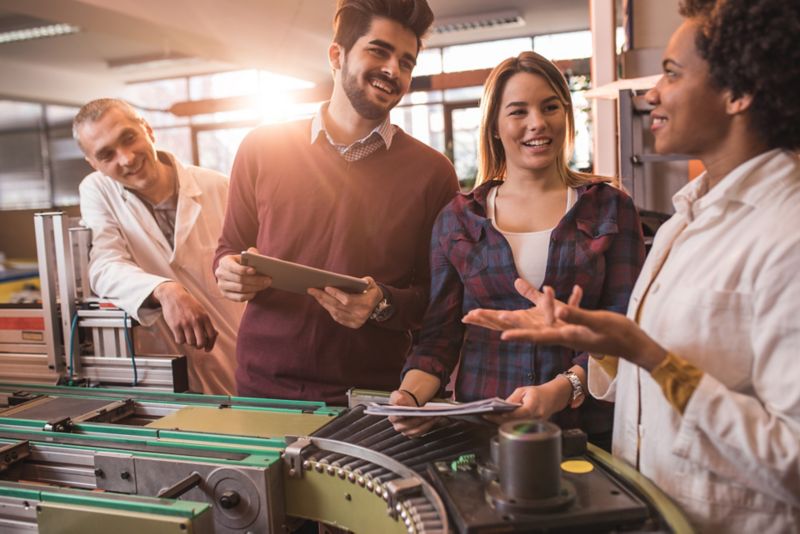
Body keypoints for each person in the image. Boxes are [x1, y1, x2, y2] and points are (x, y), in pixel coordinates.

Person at [463, 0, 800, 531]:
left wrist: (646, 353)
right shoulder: (685, 221)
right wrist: (605, 341)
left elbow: (792, 461)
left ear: (738, 94)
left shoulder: (787, 233)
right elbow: (651, 383)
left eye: (670, 74)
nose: (650, 94)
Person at [389, 51, 645, 447]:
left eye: (549, 107)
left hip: (588, 432)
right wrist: (410, 397)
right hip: (485, 431)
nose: (537, 124)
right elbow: (439, 337)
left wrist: (563, 388)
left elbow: (624, 326)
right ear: (494, 125)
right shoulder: (458, 219)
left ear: (567, 114)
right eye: (518, 111)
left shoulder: (610, 208)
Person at [213, 0, 459, 404]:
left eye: (406, 62)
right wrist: (227, 271)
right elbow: (229, 247)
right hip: (262, 390)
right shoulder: (261, 148)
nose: (392, 71)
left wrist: (382, 303)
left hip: (370, 396)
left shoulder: (432, 173)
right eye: (378, 51)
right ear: (336, 55)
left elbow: (437, 298)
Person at [75, 98, 244, 395]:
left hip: (238, 356)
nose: (126, 159)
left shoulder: (220, 186)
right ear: (93, 163)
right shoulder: (98, 190)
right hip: (167, 373)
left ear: (148, 130)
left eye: (128, 138)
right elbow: (103, 265)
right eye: (106, 154)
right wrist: (166, 290)